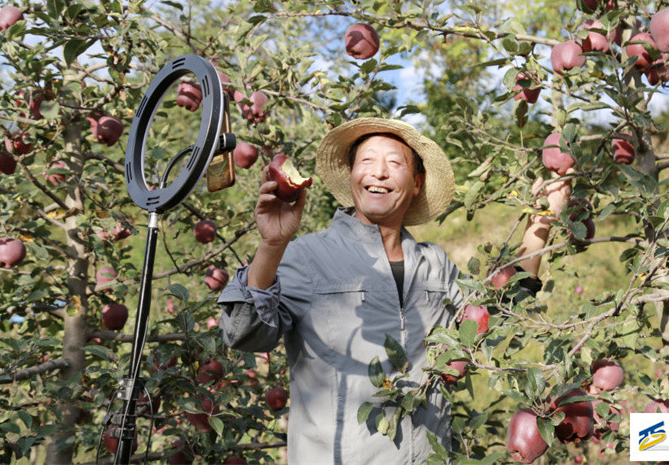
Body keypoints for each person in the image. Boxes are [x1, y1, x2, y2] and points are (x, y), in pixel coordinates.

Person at [218, 118, 571, 464]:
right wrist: (272, 244)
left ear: (417, 183)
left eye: (395, 163)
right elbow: (242, 334)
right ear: (352, 176)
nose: (379, 172)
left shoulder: (435, 264)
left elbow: (496, 314)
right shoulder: (309, 256)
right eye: (367, 161)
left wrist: (540, 222)